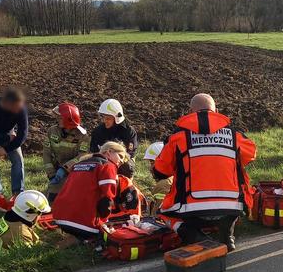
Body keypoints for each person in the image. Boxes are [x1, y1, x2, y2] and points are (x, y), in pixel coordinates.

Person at [152, 93, 256, 251]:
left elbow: (160, 172)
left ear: (190, 112)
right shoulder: (235, 135)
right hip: (231, 208)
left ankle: (195, 237)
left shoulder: (178, 137)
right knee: (232, 204)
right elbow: (251, 155)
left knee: (163, 213)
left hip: (191, 211)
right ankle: (227, 235)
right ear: (216, 111)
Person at [52, 141, 135, 241]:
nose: (121, 162)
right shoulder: (108, 166)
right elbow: (107, 199)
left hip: (60, 218)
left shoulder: (78, 164)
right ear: (109, 152)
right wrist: (104, 222)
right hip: (84, 225)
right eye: (120, 156)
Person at [42, 102, 88, 204]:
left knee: (72, 198)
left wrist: (65, 169)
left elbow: (82, 156)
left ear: (68, 120)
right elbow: (46, 153)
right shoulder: (52, 131)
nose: (57, 120)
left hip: (74, 172)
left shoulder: (82, 136)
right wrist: (51, 174)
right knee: (52, 199)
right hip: (56, 171)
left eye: (60, 118)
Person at [89, 99, 137, 177]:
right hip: (102, 160)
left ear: (117, 118)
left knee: (128, 167)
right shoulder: (98, 132)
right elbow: (93, 151)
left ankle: (125, 185)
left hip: (122, 161)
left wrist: (115, 161)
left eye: (108, 118)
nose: (105, 121)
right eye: (103, 117)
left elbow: (130, 153)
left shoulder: (128, 132)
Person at [142, 141, 172, 215]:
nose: (150, 168)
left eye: (152, 162)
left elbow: (155, 217)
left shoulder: (163, 185)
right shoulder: (173, 179)